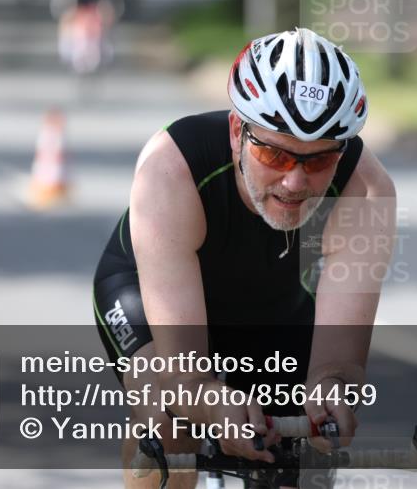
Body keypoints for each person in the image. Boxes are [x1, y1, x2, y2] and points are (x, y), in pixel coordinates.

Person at [92, 27, 396, 488]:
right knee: (170, 427)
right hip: (147, 296)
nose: (295, 183)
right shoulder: (171, 168)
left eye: (316, 162)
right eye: (274, 154)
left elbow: (338, 365)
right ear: (238, 130)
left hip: (272, 308)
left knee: (303, 456)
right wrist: (209, 403)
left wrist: (331, 395)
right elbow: (183, 378)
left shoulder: (366, 191)